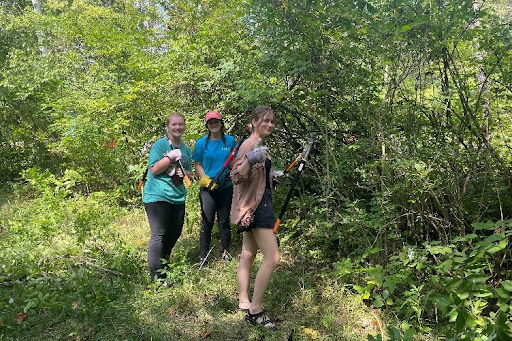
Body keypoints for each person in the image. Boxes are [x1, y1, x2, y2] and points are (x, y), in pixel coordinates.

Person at [230, 105, 283, 329]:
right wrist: (250, 158)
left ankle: (244, 301)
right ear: (254, 122)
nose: (269, 124)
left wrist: (274, 176)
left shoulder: (261, 145)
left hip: (252, 204)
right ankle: (256, 310)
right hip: (257, 207)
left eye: (272, 121)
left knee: (248, 253)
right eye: (265, 120)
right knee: (273, 258)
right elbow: (236, 175)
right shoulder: (250, 145)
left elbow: (257, 178)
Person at [142, 113, 192, 282]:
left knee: (174, 234)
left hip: (178, 197)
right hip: (157, 195)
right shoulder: (160, 145)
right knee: (159, 235)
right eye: (174, 125)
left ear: (184, 126)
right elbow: (154, 169)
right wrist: (169, 158)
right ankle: (157, 279)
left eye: (180, 124)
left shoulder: (186, 149)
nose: (177, 127)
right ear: (168, 127)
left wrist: (182, 172)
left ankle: (164, 267)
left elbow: (189, 172)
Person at [193, 110, 237, 263]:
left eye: (216, 121)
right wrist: (205, 179)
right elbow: (197, 164)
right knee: (207, 220)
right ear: (207, 125)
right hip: (208, 187)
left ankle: (226, 251)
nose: (213, 124)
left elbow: (234, 162)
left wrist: (229, 175)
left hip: (225, 186)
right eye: (210, 122)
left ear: (221, 123)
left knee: (224, 220)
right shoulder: (201, 143)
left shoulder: (230, 141)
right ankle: (203, 255)